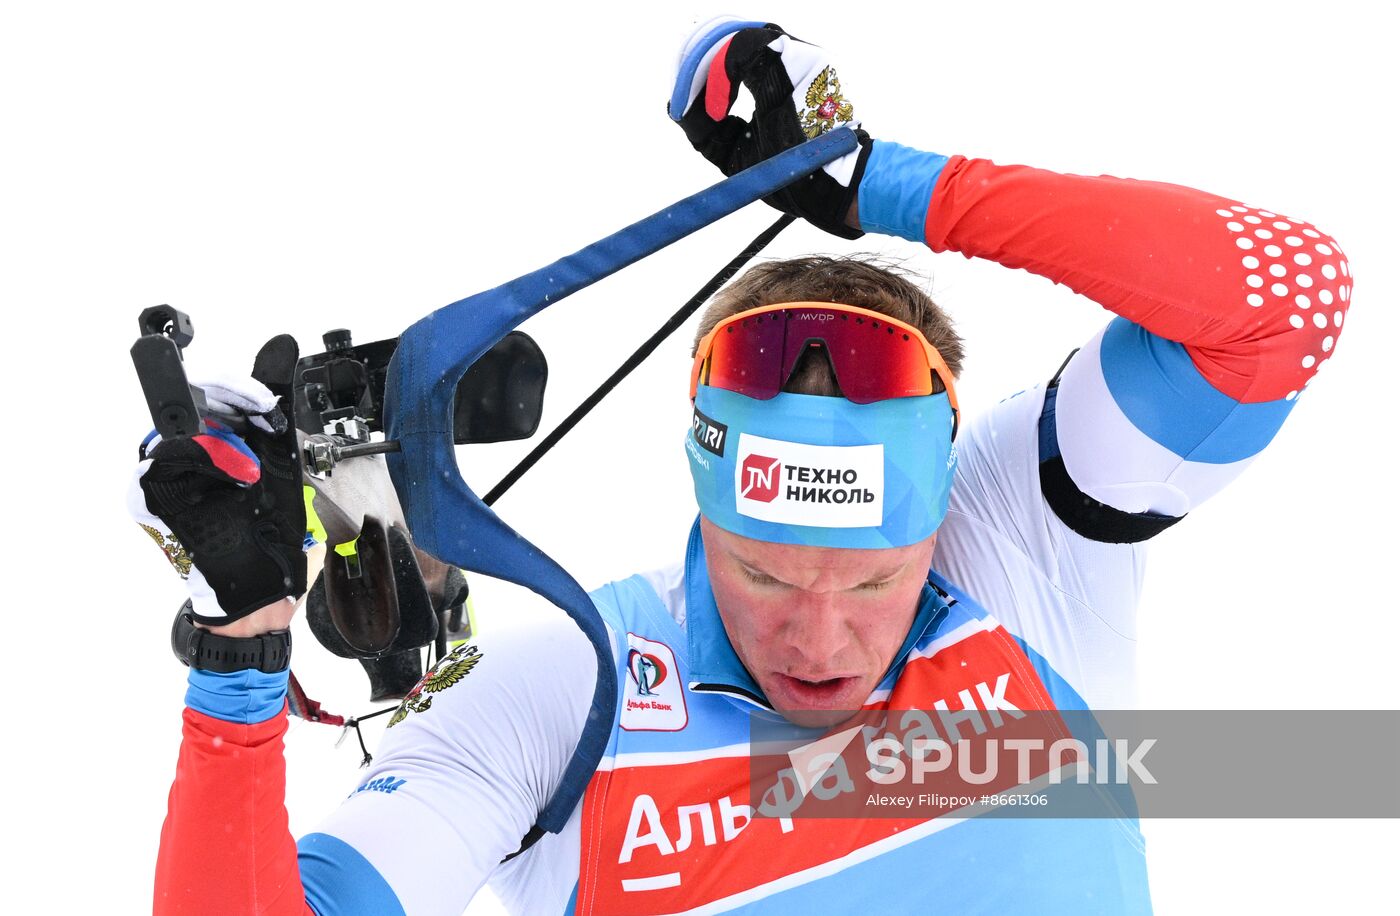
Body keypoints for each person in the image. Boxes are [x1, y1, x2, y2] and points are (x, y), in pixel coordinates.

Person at [129, 16, 1350, 916]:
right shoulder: (575, 692)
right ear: (703, 492)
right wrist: (240, 650)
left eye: (873, 582)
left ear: (934, 506)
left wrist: (878, 181)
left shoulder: (1018, 535)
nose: (819, 645)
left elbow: (1282, 297)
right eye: (766, 575)